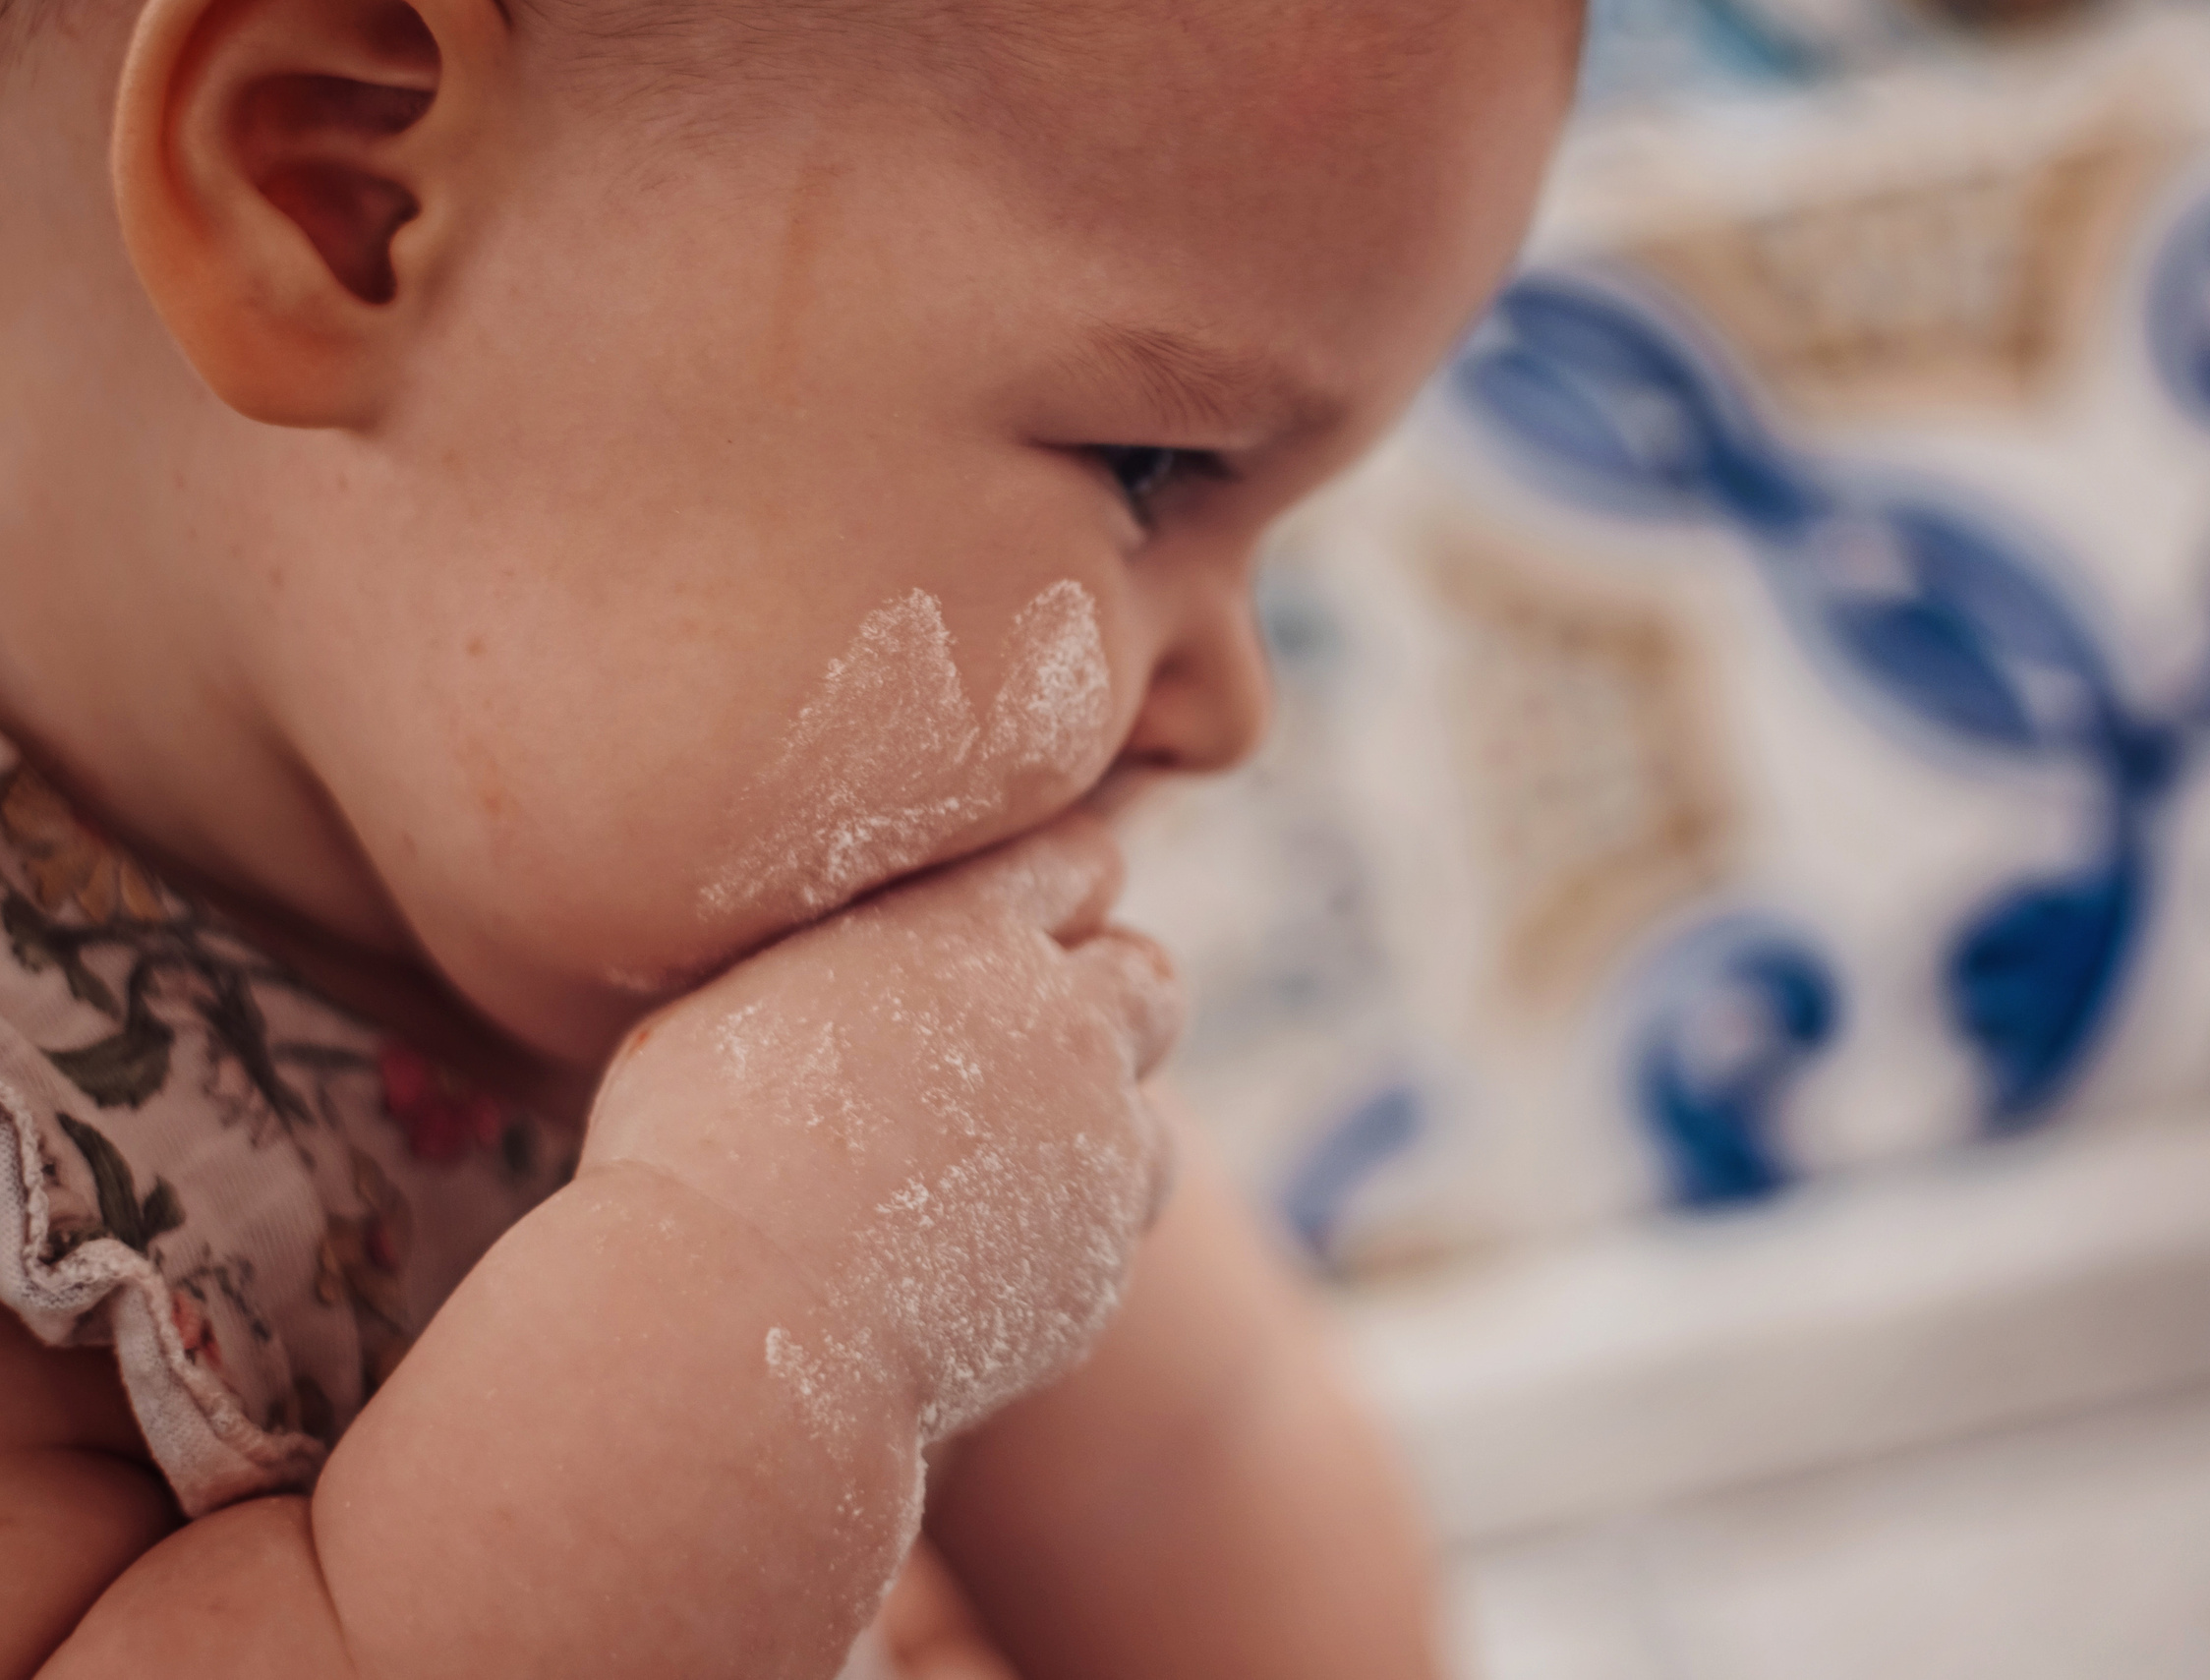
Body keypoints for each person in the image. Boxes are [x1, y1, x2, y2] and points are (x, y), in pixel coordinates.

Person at [0, 0, 1581, 1672]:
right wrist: (744, 1290)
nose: (1237, 704)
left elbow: (1204, 1467)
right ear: (339, 195)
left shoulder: (821, 998)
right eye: (1152, 465)